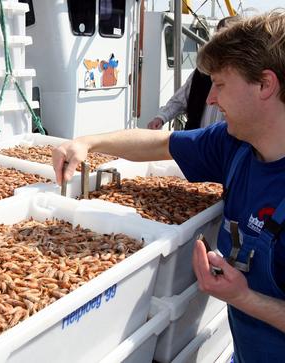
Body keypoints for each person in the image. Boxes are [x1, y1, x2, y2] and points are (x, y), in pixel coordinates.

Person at [53, 11, 285, 362]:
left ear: (265, 85)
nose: (210, 100)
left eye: (220, 85)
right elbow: (161, 143)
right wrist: (89, 142)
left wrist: (244, 298)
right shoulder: (233, 145)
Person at [147, 16, 239, 130]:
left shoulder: (245, 78)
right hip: (197, 143)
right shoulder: (201, 73)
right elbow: (179, 100)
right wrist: (161, 117)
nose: (210, 100)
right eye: (217, 38)